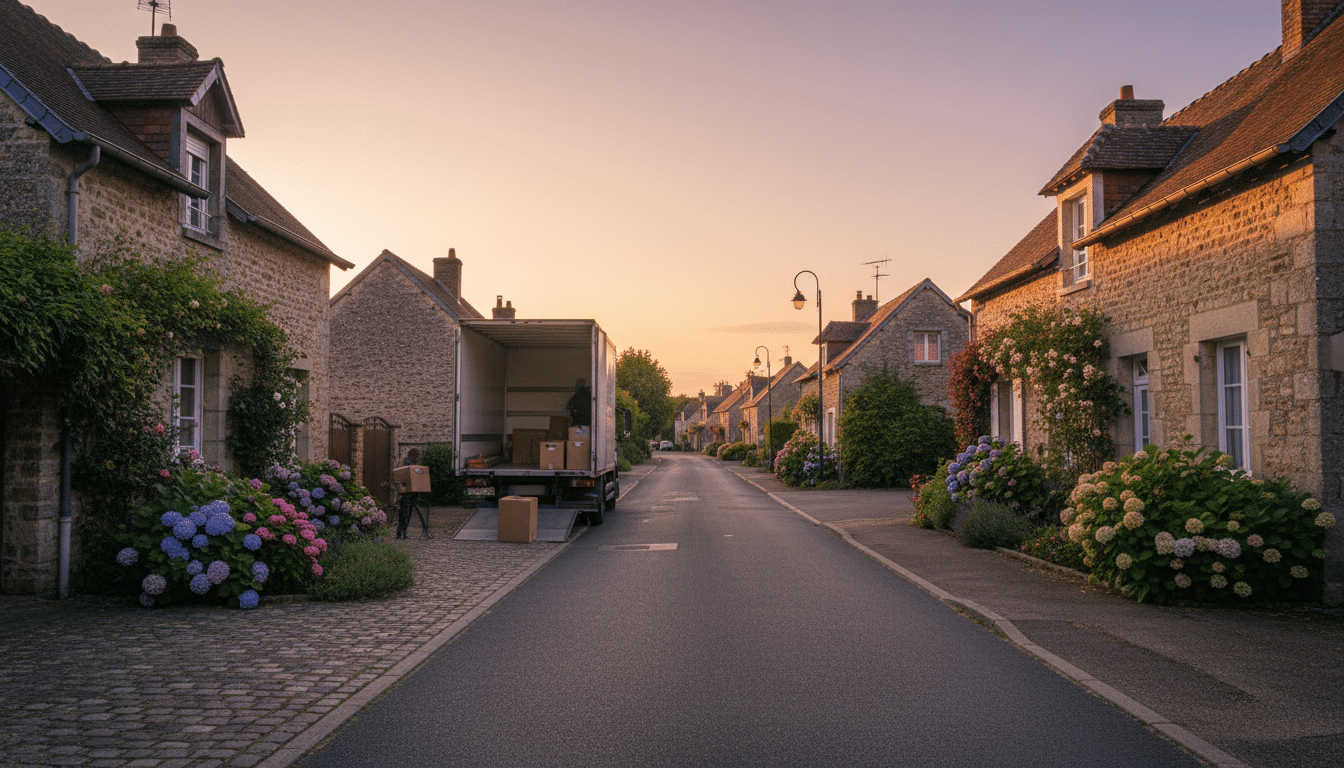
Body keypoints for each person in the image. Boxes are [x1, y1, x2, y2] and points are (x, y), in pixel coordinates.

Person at [395, 448, 429, 539]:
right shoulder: (409, 462)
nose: (419, 458)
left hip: (408, 492)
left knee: (405, 512)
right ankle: (401, 532)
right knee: (405, 512)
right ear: (414, 455)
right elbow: (412, 473)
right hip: (409, 493)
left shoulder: (409, 462)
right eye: (418, 456)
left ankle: (401, 532)